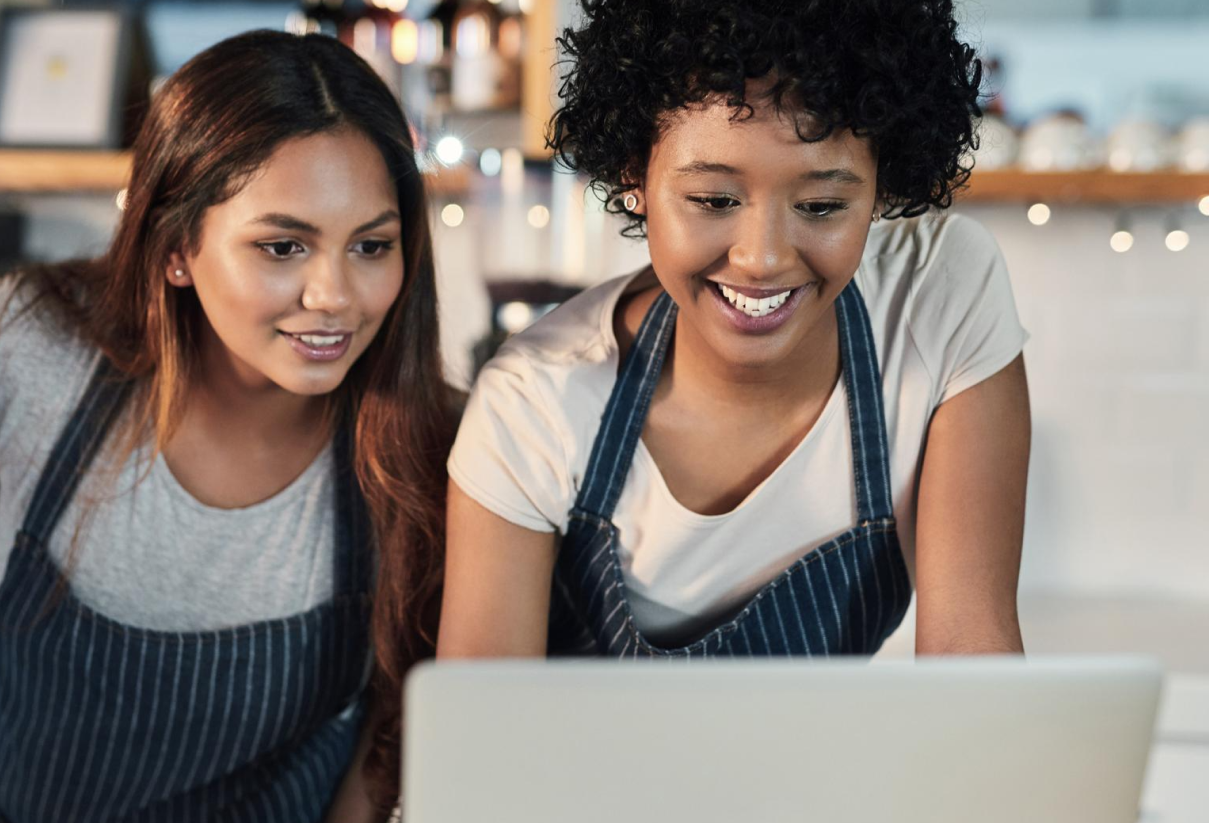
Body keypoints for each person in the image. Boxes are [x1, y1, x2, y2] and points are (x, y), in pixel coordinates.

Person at [0, 31, 451, 823]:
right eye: (282, 246)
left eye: (371, 245)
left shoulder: (431, 435)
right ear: (177, 247)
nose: (335, 297)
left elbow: (431, 647)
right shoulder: (23, 343)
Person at [413, 0, 1027, 686]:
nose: (762, 259)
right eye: (713, 200)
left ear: (882, 186)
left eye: (821, 206)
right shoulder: (536, 399)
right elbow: (488, 746)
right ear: (632, 176)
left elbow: (974, 668)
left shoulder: (936, 293)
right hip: (580, 792)